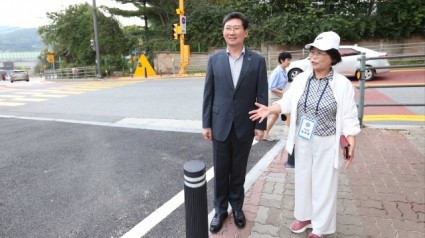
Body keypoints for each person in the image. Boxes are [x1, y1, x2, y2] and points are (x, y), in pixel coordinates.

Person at [249, 31, 361, 238]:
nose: (313, 57)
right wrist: (271, 109)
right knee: (303, 179)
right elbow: (288, 101)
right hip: (303, 138)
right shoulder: (302, 78)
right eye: (312, 52)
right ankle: (305, 216)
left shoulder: (342, 84)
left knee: (324, 183)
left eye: (320, 53)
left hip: (327, 141)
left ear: (333, 57)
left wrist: (351, 139)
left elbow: (348, 115)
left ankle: (320, 227)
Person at [202, 12, 268, 233]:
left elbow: (262, 96)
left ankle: (237, 208)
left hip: (245, 125)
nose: (232, 32)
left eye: (236, 28)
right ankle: (220, 211)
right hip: (219, 124)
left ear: (245, 32)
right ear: (223, 32)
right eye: (228, 28)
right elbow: (208, 94)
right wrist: (206, 124)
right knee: (221, 171)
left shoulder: (257, 61)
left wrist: (260, 125)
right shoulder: (214, 59)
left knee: (239, 170)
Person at [264, 52, 292, 141]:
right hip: (274, 95)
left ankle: (291, 134)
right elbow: (272, 87)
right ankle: (265, 133)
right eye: (288, 60)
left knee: (287, 112)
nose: (289, 62)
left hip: (280, 94)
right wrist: (283, 92)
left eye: (289, 60)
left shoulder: (284, 70)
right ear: (282, 60)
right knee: (276, 115)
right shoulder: (277, 71)